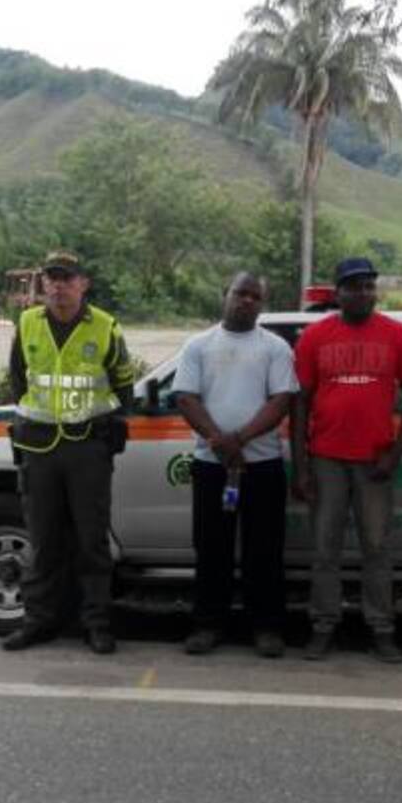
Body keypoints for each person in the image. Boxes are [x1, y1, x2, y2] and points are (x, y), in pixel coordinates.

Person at [292, 257, 402, 662]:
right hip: (326, 459)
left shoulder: (396, 334)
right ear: (338, 292)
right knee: (324, 549)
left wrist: (395, 453)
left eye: (369, 285)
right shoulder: (314, 336)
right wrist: (302, 467)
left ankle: (381, 628)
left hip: (375, 462)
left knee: (377, 548)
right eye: (354, 286)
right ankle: (322, 625)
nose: (363, 292)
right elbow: (300, 404)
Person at [3, 251, 134, 655]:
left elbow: (123, 386)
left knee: (91, 541)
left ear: (83, 284)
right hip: (39, 448)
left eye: (67, 278)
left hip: (87, 449)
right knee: (43, 541)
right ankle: (38, 622)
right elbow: (18, 379)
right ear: (43, 284)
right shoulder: (27, 324)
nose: (58, 286)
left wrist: (100, 431)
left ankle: (96, 623)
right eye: (52, 278)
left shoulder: (106, 327)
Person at [172, 273, 297, 658]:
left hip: (261, 466)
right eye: (240, 294)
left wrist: (238, 439)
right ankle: (208, 624)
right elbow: (185, 397)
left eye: (255, 296)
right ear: (224, 294)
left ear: (263, 304)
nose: (246, 301)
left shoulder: (275, 348)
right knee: (212, 547)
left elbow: (281, 401)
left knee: (265, 549)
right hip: (213, 466)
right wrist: (219, 442)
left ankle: (267, 628)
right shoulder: (199, 345)